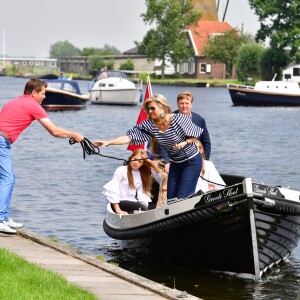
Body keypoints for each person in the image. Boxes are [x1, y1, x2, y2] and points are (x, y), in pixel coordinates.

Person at [0, 79, 84, 234]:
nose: (45, 97)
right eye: (43, 93)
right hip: (1, 142)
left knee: (6, 179)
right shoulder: (33, 105)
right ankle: (0, 219)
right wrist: (74, 134)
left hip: (2, 141)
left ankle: (3, 217)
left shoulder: (17, 101)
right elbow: (54, 131)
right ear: (34, 93)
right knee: (8, 179)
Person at [94, 94, 203, 200]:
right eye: (148, 109)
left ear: (162, 108)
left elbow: (195, 134)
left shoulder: (178, 119)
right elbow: (129, 138)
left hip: (191, 161)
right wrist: (109, 142)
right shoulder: (150, 125)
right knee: (171, 199)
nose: (149, 112)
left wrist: (185, 143)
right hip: (176, 163)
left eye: (152, 108)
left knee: (183, 197)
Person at [103, 148, 166, 215]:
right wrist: (118, 210)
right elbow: (113, 191)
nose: (136, 162)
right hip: (119, 202)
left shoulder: (141, 174)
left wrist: (143, 205)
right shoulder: (121, 170)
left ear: (142, 164)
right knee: (143, 209)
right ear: (131, 158)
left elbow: (142, 193)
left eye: (139, 162)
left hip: (133, 203)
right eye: (135, 159)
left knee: (146, 209)